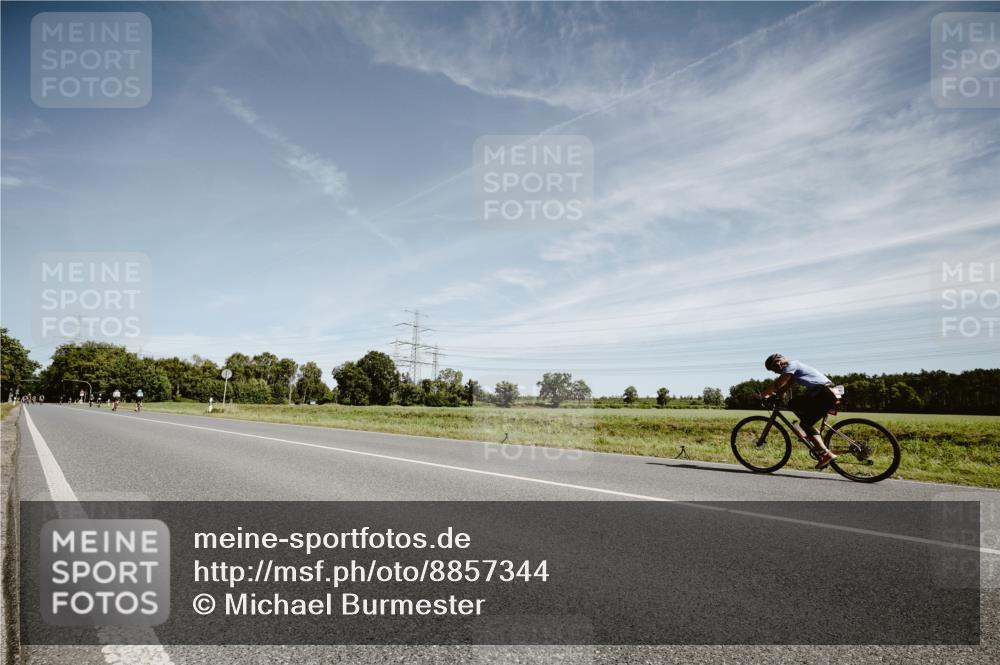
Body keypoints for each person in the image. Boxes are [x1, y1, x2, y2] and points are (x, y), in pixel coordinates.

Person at [760, 353, 839, 469]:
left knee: (804, 423)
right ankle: (811, 433)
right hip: (827, 392)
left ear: (778, 363)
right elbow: (786, 386)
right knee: (794, 404)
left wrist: (762, 395)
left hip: (824, 393)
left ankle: (826, 454)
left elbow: (778, 384)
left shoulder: (791, 365)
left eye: (774, 370)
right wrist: (776, 395)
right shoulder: (794, 368)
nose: (776, 373)